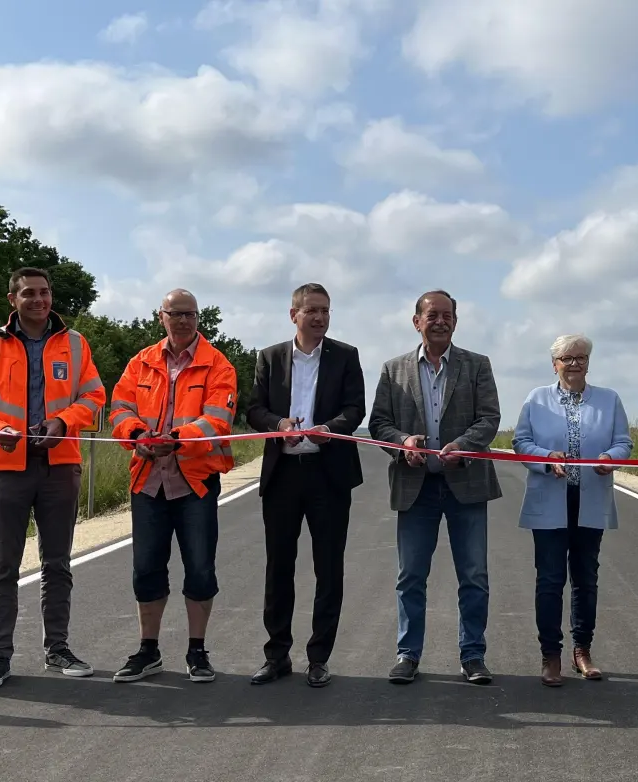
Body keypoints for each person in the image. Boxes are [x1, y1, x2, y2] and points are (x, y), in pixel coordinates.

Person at [0, 266, 106, 690]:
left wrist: (63, 421)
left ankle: (57, 649)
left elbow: (94, 396)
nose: (38, 300)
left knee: (57, 563)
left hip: (60, 465)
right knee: (3, 565)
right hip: (6, 467)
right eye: (28, 293)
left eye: (43, 292)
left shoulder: (75, 343)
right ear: (12, 300)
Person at [367, 289, 502, 685]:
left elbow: (489, 418)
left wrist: (464, 445)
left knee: (474, 575)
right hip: (416, 486)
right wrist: (403, 442)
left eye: (447, 315)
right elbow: (379, 425)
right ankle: (408, 653)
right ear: (417, 321)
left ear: (456, 322)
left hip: (466, 484)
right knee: (410, 576)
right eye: (432, 315)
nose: (440, 321)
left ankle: (473, 655)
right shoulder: (394, 370)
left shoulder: (477, 365)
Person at [107, 288, 239, 684]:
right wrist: (136, 434)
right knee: (145, 569)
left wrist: (176, 438)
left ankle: (197, 651)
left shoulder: (218, 365)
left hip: (194, 481)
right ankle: (148, 651)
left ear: (199, 319)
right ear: (161, 316)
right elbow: (120, 409)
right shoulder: (140, 362)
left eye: (191, 314)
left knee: (199, 568)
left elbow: (218, 420)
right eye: (176, 313)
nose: (184, 320)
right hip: (147, 480)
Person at [245, 283, 366, 688]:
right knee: (279, 568)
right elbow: (254, 409)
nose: (319, 317)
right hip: (283, 474)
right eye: (311, 310)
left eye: (325, 311)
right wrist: (279, 425)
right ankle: (276, 655)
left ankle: (319, 657)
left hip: (329, 474)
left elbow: (355, 408)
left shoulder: (346, 356)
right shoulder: (269, 357)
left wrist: (330, 429)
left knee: (328, 569)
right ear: (293, 313)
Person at [512, 334, 633, 686]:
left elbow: (624, 442)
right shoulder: (537, 399)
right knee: (550, 580)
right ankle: (551, 655)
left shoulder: (609, 400)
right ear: (555, 364)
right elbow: (521, 442)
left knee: (586, 579)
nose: (575, 363)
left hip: (590, 498)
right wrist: (546, 458)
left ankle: (583, 649)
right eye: (568, 358)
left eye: (582, 357)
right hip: (550, 499)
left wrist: (611, 458)